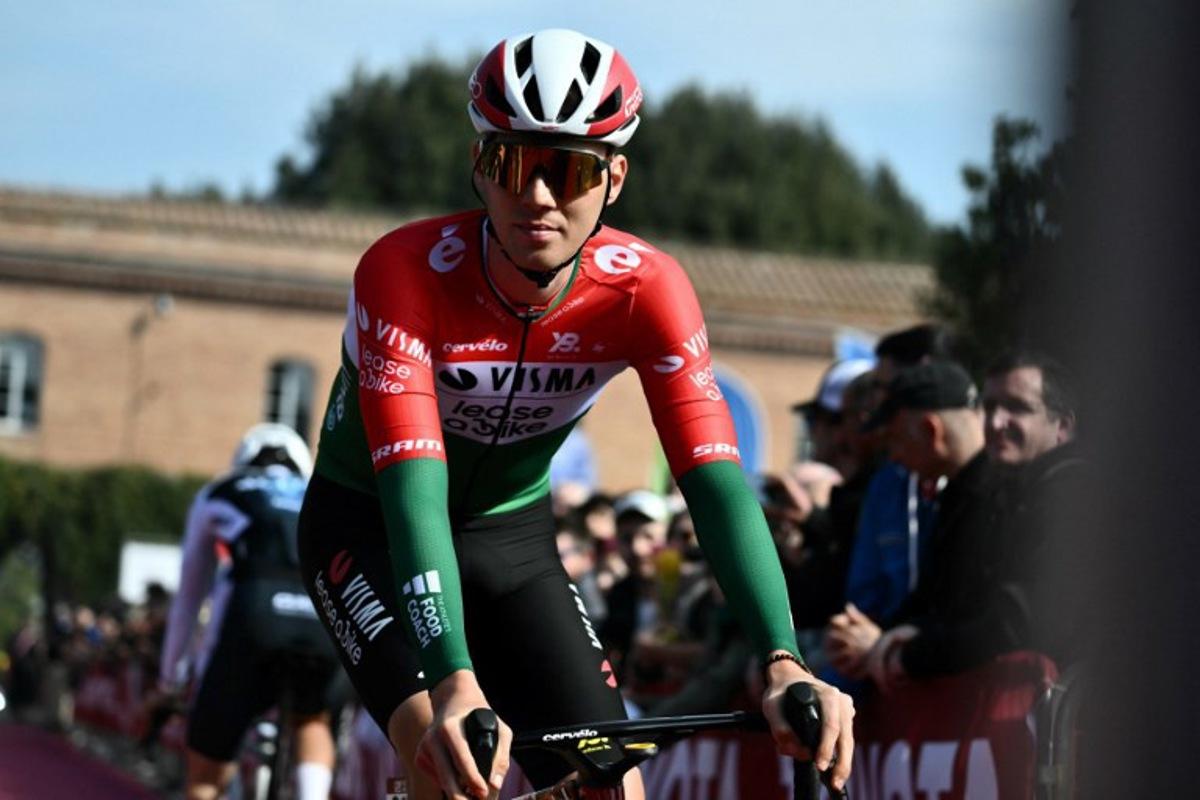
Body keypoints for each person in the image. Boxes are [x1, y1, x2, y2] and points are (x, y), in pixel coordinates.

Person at [297, 27, 854, 800]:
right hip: (369, 528)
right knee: (443, 753)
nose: (537, 197)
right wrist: (455, 678)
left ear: (615, 177)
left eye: (567, 170)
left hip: (510, 536)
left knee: (610, 785)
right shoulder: (402, 274)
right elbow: (414, 492)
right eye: (511, 162)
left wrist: (783, 659)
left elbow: (718, 485)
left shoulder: (647, 291)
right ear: (477, 165)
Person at [160, 423, 341, 800]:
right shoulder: (321, 490)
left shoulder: (221, 489)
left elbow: (191, 593)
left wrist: (170, 678)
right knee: (312, 719)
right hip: (323, 614)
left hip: (255, 609)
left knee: (206, 772)